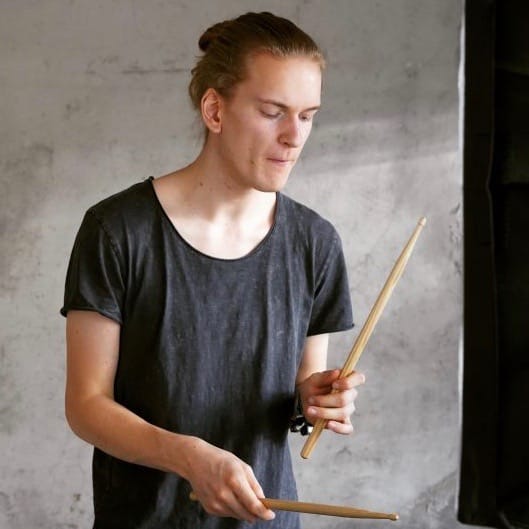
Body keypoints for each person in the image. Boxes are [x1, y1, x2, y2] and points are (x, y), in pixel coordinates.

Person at [61, 11, 365, 529]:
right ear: (215, 110)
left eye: (308, 115)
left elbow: (298, 393)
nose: (295, 136)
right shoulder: (117, 230)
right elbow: (87, 405)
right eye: (273, 112)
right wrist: (189, 457)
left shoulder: (315, 242)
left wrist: (315, 401)